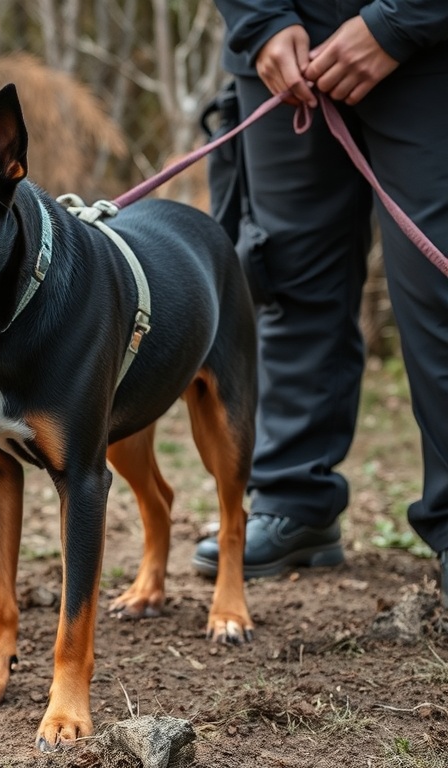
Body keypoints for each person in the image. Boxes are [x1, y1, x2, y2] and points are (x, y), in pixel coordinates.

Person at [191, 0, 448, 607]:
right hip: (285, 56)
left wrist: (398, 22)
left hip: (431, 51)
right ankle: (293, 503)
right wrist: (262, 24)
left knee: (437, 292)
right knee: (285, 280)